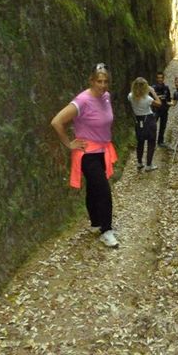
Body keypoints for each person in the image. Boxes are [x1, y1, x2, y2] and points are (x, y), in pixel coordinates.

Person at [51, 63, 119, 248]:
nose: (102, 85)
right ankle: (107, 230)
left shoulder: (106, 97)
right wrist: (69, 143)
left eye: (105, 81)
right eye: (99, 81)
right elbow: (57, 121)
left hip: (103, 151)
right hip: (87, 154)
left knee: (93, 188)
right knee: (104, 190)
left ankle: (96, 223)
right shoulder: (82, 101)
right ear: (91, 81)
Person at [128, 77, 161, 171]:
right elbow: (159, 103)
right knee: (151, 142)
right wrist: (153, 92)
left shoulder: (130, 96)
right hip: (149, 120)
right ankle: (149, 165)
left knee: (140, 142)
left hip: (138, 121)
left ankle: (139, 162)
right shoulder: (147, 99)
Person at [152, 71, 172, 147]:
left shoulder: (166, 88)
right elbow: (149, 99)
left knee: (163, 126)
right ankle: (152, 143)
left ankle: (160, 141)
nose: (160, 79)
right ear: (156, 79)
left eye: (161, 78)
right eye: (158, 78)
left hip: (164, 110)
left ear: (163, 78)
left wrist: (168, 106)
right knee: (153, 127)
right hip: (155, 110)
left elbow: (169, 99)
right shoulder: (153, 88)